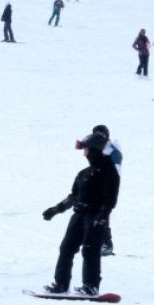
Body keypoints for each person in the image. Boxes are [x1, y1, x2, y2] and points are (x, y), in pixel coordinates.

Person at [40, 132, 119, 296]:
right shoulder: (84, 173)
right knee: (66, 248)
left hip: (95, 216)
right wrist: (56, 209)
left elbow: (111, 198)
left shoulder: (109, 171)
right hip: (78, 216)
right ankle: (61, 284)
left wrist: (103, 216)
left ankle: (91, 286)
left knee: (90, 250)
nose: (84, 154)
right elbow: (74, 196)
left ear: (95, 149)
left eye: (86, 149)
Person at [92, 124, 122, 256]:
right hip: (97, 185)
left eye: (100, 135)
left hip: (109, 187)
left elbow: (115, 167)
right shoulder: (99, 148)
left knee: (103, 214)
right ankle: (100, 243)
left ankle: (106, 244)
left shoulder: (112, 150)